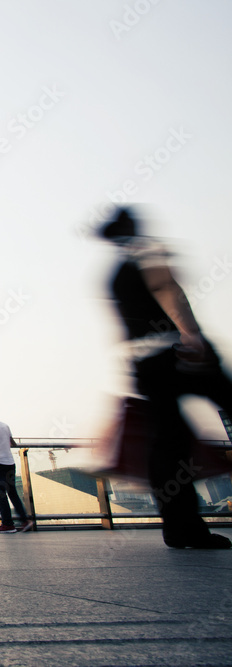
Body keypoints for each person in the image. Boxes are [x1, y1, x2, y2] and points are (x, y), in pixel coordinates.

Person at [98, 207, 232, 549]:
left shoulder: (114, 273)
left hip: (145, 363)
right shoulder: (148, 250)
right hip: (178, 351)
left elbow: (121, 326)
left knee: (167, 448)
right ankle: (186, 529)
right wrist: (193, 334)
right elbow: (166, 287)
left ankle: (181, 530)